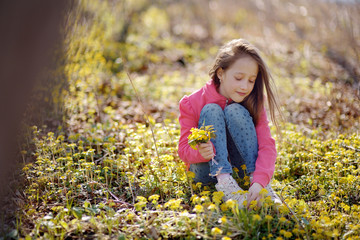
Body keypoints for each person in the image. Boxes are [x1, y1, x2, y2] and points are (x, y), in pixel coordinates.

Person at [178, 39, 282, 209]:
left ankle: (260, 189)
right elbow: (183, 150)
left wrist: (260, 181)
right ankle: (225, 183)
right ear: (220, 73)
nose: (245, 86)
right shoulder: (191, 103)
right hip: (206, 172)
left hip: (240, 171)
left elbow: (267, 145)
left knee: (235, 111)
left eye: (251, 80)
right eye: (239, 78)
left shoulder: (253, 100)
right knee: (211, 109)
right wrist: (200, 151)